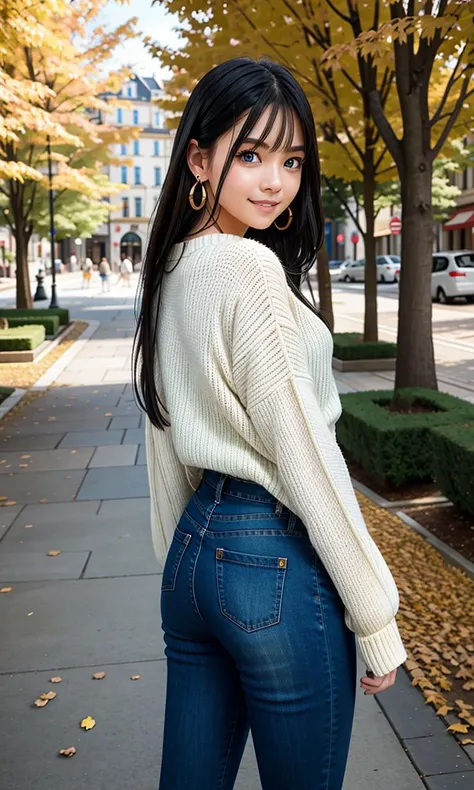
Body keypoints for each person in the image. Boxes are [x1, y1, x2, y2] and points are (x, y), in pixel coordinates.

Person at [133, 58, 407, 790]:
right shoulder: (246, 269)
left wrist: (178, 567)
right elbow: (303, 448)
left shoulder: (171, 269)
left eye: (290, 159)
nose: (273, 180)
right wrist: (374, 610)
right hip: (271, 556)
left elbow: (161, 433)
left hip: (195, 556)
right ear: (199, 156)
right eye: (249, 154)